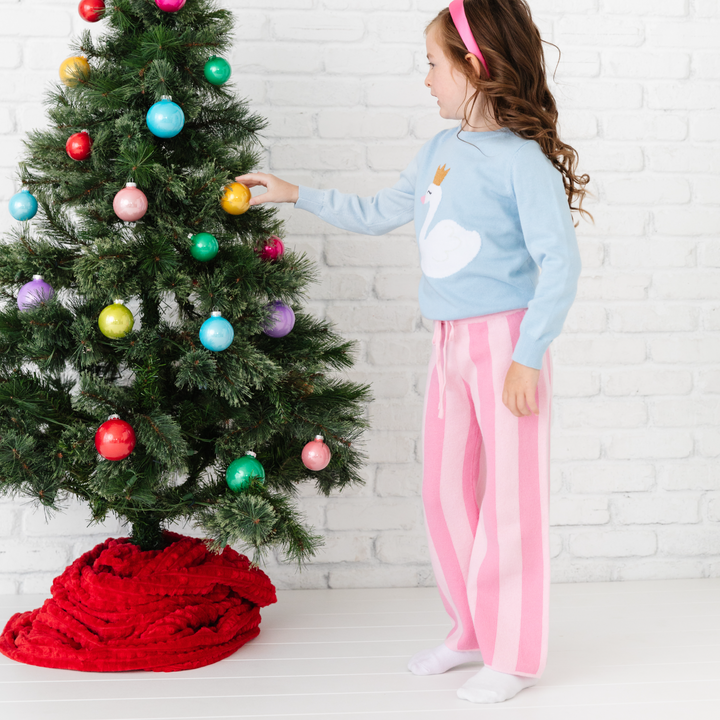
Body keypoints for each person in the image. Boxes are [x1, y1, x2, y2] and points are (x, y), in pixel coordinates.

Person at [236, 0, 589, 705]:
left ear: (475, 66)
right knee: (443, 493)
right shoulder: (438, 153)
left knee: (510, 505)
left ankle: (514, 654)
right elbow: (377, 212)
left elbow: (562, 265)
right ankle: (469, 630)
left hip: (507, 343)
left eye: (433, 63)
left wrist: (528, 355)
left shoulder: (523, 164)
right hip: (451, 343)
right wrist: (296, 193)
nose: (425, 78)